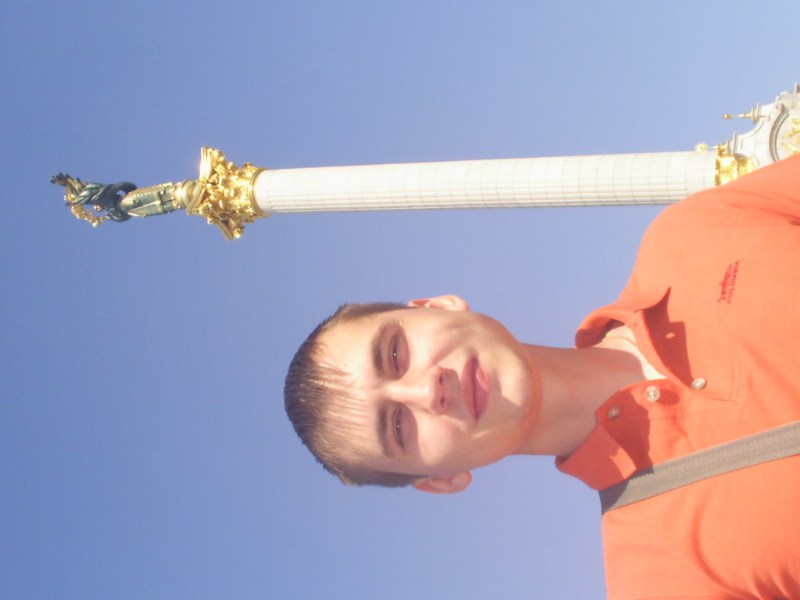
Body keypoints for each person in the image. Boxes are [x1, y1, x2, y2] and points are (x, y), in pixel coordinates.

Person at [284, 154, 800, 598]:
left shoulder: (694, 234)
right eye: (397, 426)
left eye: (394, 353)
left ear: (438, 306)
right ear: (441, 480)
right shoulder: (666, 579)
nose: (425, 389)